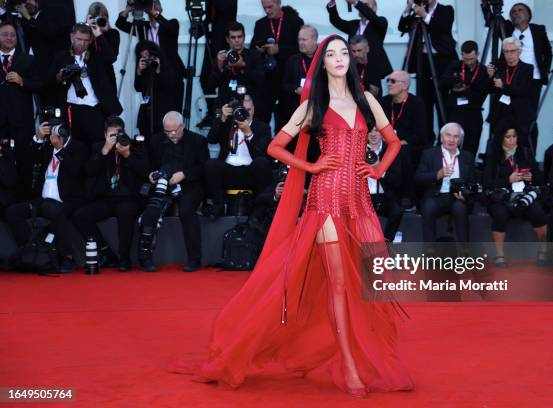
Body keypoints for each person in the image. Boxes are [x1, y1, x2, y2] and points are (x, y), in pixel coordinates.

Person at [170, 35, 413, 397]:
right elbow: (274, 147)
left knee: (369, 283)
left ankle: (360, 358)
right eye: (331, 54)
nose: (339, 59)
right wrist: (311, 165)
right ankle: (348, 367)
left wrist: (378, 170)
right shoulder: (313, 106)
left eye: (344, 53)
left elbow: (393, 142)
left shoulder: (367, 102)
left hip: (360, 202)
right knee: (339, 285)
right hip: (325, 200)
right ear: (322, 63)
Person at [5, 121, 87, 272]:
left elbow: (77, 171)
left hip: (66, 200)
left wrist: (60, 150)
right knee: (13, 212)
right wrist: (38, 139)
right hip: (42, 200)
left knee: (54, 210)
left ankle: (67, 257)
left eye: (57, 130)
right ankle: (30, 252)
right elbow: (28, 162)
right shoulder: (47, 147)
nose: (54, 134)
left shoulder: (77, 147)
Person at [72, 116, 150, 272]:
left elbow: (146, 171)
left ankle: (124, 258)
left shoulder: (135, 146)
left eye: (118, 133)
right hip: (105, 198)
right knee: (80, 215)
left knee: (125, 210)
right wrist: (105, 150)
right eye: (111, 135)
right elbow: (88, 171)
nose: (115, 138)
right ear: (105, 134)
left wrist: (127, 154)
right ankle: (105, 251)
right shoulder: (98, 148)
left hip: (129, 197)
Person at [143, 111, 209, 272]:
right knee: (151, 209)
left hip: (190, 184)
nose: (172, 134)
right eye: (167, 131)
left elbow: (204, 168)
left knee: (186, 211)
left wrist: (184, 174)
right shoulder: (156, 140)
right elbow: (148, 164)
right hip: (163, 185)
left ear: (182, 126)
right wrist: (151, 174)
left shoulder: (198, 141)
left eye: (175, 130)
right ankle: (145, 259)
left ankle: (194, 259)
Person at [483, 119, 547, 267]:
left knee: (537, 211)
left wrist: (531, 178)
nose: (512, 140)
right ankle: (499, 255)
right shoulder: (494, 155)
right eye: (508, 137)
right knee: (500, 214)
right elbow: (487, 183)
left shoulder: (524, 152)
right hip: (501, 196)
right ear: (501, 138)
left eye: (514, 136)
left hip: (523, 196)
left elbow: (539, 177)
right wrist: (507, 179)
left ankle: (543, 251)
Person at [48, 23, 122, 149]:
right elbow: (48, 82)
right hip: (72, 109)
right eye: (79, 39)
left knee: (97, 147)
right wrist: (59, 76)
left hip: (95, 109)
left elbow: (111, 57)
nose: (82, 44)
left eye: (86, 40)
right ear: (71, 37)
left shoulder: (96, 56)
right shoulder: (61, 57)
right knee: (75, 148)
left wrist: (98, 33)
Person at [399, 0, 458, 144]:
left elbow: (441, 27)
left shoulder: (446, 10)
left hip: (442, 62)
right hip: (422, 61)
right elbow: (402, 26)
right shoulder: (417, 11)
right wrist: (409, 6)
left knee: (442, 102)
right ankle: (426, 142)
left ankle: (445, 141)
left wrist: (424, 14)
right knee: (424, 104)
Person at [205, 94, 272, 218]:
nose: (245, 115)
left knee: (262, 163)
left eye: (249, 111)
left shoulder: (262, 127)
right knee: (211, 164)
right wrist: (222, 118)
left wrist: (249, 133)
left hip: (251, 171)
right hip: (229, 170)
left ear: (254, 109)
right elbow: (211, 139)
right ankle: (218, 206)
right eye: (242, 111)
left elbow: (263, 154)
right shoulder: (228, 124)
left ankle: (261, 209)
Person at [0, 22, 42, 198]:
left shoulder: (28, 59)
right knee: (3, 162)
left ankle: (24, 201)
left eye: (13, 35)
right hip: (1, 121)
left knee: (24, 161)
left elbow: (40, 84)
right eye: (5, 34)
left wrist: (22, 81)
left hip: (22, 122)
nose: (10, 38)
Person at [415, 123, 474, 243]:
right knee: (428, 206)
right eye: (448, 135)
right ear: (441, 137)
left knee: (460, 207)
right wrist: (438, 174)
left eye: (456, 136)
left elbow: (472, 182)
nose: (451, 139)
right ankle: (430, 252)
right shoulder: (429, 154)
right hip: (436, 195)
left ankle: (465, 251)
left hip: (457, 197)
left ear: (460, 140)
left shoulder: (467, 156)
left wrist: (464, 193)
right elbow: (418, 178)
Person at [115, 0, 185, 99]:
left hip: (171, 75)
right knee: (151, 110)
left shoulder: (172, 23)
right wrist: (129, 8)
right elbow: (120, 24)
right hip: (151, 75)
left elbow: (172, 30)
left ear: (161, 8)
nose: (153, 5)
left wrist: (155, 14)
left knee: (172, 110)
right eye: (151, 2)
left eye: (156, 2)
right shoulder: (142, 27)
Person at [250, 0, 304, 127]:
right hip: (267, 78)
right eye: (264, 8)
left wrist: (279, 50)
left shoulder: (295, 22)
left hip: (288, 77)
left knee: (286, 118)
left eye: (270, 7)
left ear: (278, 2)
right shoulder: (260, 24)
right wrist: (261, 50)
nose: (267, 11)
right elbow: (253, 48)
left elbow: (300, 48)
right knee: (262, 116)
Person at [380, 70, 426, 208]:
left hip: (407, 144)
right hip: (385, 142)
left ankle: (406, 196)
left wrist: (397, 143)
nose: (388, 84)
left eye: (393, 81)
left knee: (402, 152)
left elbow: (419, 133)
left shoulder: (416, 103)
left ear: (405, 85)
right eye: (388, 80)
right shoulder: (383, 101)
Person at [13, 0, 72, 106]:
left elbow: (50, 32)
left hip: (52, 72)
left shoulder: (52, 14)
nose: (27, 3)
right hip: (34, 75)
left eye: (29, 0)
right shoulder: (23, 21)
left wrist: (28, 17)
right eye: (23, 2)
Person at [203, 22, 264, 117]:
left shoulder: (254, 56)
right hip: (225, 107)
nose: (237, 40)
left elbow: (260, 80)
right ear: (227, 39)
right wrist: (219, 66)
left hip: (247, 107)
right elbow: (210, 86)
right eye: (233, 37)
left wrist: (243, 65)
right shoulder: (221, 57)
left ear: (244, 37)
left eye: (239, 37)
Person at [487, 37, 535, 153]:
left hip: (519, 114)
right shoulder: (499, 67)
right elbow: (490, 90)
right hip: (500, 112)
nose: (509, 55)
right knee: (498, 146)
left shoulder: (527, 68)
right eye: (506, 52)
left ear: (519, 51)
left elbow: (522, 91)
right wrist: (490, 77)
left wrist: (503, 86)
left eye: (512, 51)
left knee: (520, 147)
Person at [441, 40, 489, 157]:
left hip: (474, 111)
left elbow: (482, 92)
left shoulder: (483, 70)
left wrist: (465, 88)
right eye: (465, 59)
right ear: (461, 54)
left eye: (471, 59)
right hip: (455, 111)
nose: (468, 62)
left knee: (471, 146)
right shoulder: (454, 65)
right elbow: (443, 82)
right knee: (449, 142)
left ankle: (468, 171)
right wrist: (454, 83)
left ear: (477, 55)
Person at [326, 0, 392, 78]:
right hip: (355, 68)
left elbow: (372, 16)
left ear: (375, 8)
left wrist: (355, 2)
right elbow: (336, 21)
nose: (362, 7)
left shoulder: (381, 22)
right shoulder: (353, 25)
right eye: (362, 5)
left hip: (373, 69)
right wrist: (332, 4)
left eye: (366, 5)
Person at [197, 0, 238, 128]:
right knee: (205, 78)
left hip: (225, 42)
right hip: (212, 41)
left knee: (225, 80)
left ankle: (223, 112)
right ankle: (212, 111)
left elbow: (226, 8)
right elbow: (209, 17)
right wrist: (199, 29)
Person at [134, 40, 182, 144]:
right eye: (144, 58)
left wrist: (158, 70)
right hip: (147, 111)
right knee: (146, 139)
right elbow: (138, 88)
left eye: (149, 57)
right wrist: (139, 72)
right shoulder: (143, 69)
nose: (148, 60)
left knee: (162, 140)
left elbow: (170, 86)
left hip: (162, 110)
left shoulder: (166, 65)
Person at [366, 127, 403, 242]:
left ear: (382, 133)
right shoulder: (357, 150)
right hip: (363, 196)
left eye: (376, 130)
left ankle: (387, 241)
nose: (373, 134)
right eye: (370, 131)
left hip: (385, 195)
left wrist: (379, 168)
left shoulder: (391, 151)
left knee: (396, 210)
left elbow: (397, 181)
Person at [282, 25, 318, 120]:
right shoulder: (293, 60)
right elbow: (284, 85)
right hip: (297, 110)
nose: (301, 43)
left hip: (319, 109)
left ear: (314, 39)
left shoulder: (325, 59)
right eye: (299, 40)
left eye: (304, 40)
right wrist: (296, 89)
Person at [85, 2, 120, 94]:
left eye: (101, 18)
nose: (98, 21)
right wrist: (87, 29)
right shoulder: (86, 34)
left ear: (106, 18)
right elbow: (78, 53)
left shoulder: (113, 33)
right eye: (95, 18)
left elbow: (111, 57)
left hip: (107, 79)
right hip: (88, 78)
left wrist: (100, 35)